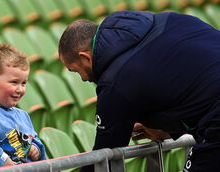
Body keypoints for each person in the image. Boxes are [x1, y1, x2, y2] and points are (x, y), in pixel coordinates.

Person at [59, 10, 220, 172]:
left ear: (85, 57)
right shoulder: (168, 18)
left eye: (75, 71)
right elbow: (183, 82)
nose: (83, 79)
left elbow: (103, 156)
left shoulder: (114, 83)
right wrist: (166, 127)